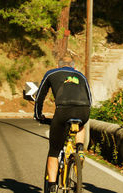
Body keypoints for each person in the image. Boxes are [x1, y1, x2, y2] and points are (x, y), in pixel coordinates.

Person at [34, 54, 92, 193]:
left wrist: (38, 115)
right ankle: (79, 149)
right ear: (73, 66)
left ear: (58, 65)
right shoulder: (81, 75)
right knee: (81, 124)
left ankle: (53, 185)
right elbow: (89, 97)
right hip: (84, 110)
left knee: (54, 151)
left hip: (63, 111)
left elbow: (40, 96)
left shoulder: (51, 73)